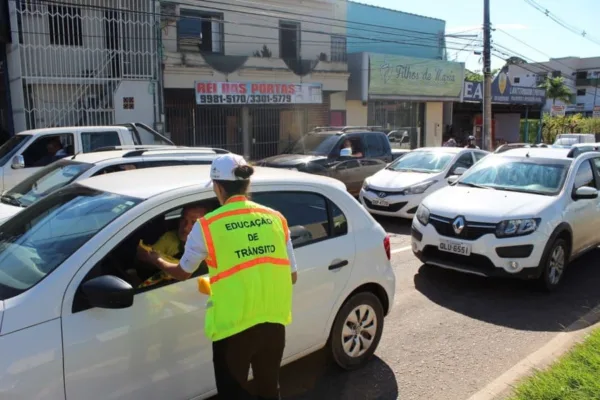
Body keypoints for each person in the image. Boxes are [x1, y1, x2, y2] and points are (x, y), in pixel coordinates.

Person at [141, 154, 298, 400]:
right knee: (269, 390)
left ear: (217, 186)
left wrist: (153, 258)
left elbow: (182, 272)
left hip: (232, 330)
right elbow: (292, 276)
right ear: (246, 185)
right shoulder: (276, 218)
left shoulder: (206, 226)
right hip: (274, 324)